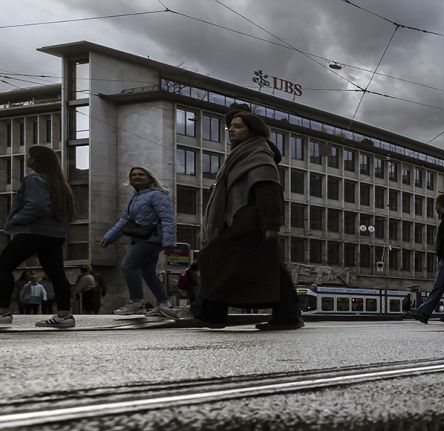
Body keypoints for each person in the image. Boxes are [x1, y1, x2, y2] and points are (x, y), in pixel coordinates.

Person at [197, 109, 302, 331]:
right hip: (241, 220)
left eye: (238, 126)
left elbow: (268, 189)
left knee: (214, 260)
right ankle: (288, 315)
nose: (231, 130)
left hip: (249, 221)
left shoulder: (258, 155)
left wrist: (271, 224)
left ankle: (211, 313)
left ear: (252, 130)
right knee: (270, 268)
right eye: (230, 127)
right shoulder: (241, 154)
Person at [0, 145, 77, 328]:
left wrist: (16, 220)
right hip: (54, 233)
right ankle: (64, 316)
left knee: (3, 266)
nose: (26, 158)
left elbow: (37, 205)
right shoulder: (58, 181)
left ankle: (2, 313)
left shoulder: (34, 178)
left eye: (28, 155)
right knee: (56, 273)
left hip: (34, 231)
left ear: (36, 159)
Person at [101, 165, 179, 318]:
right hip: (140, 238)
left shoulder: (157, 195)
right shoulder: (135, 198)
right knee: (148, 272)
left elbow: (168, 219)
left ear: (150, 178)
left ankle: (136, 303)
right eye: (133, 175)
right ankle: (164, 304)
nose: (136, 177)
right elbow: (124, 220)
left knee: (128, 266)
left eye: (141, 175)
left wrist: (169, 243)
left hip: (151, 239)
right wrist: (110, 236)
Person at [409, 194, 444, 323]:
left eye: (435, 204)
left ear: (439, 205)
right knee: (441, 287)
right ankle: (424, 312)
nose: (434, 207)